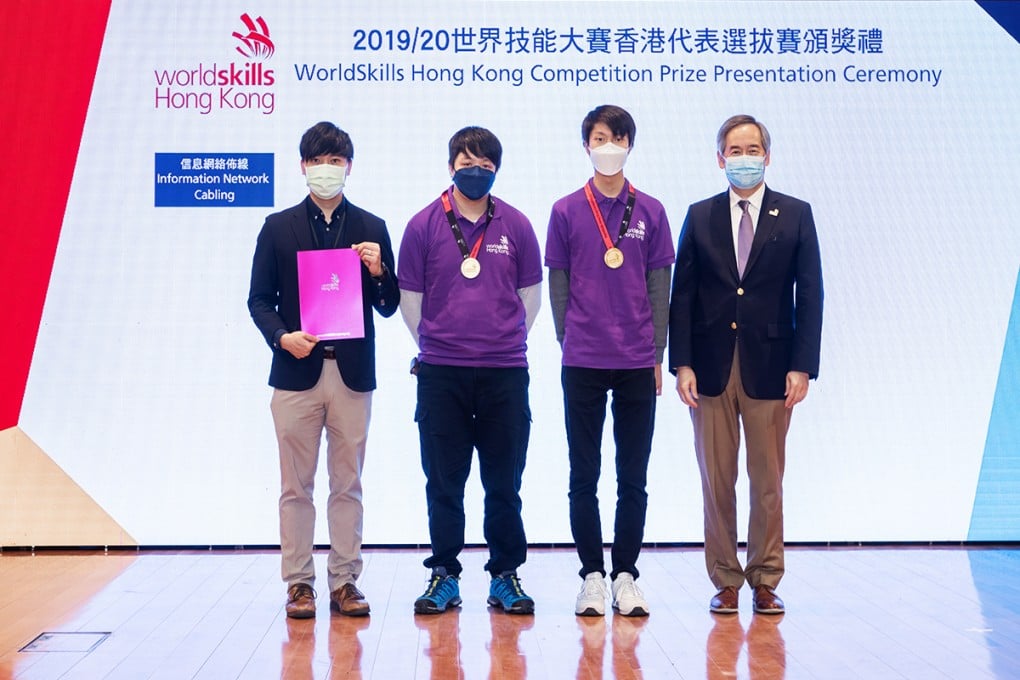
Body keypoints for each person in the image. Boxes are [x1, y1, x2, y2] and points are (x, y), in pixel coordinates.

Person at [669, 114, 823, 615]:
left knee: (767, 479)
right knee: (717, 480)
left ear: (768, 155)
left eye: (752, 148)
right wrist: (682, 363)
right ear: (720, 159)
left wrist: (803, 365)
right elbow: (683, 296)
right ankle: (726, 580)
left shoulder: (795, 214)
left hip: (773, 368)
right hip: (710, 369)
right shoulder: (700, 214)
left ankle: (764, 578)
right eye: (734, 150)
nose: (744, 158)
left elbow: (811, 294)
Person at [248, 121, 399, 619]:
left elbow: (388, 304)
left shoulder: (372, 228)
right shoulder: (278, 226)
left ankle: (345, 581)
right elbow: (259, 300)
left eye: (336, 161)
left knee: (347, 482)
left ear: (348, 168)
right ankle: (299, 583)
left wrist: (379, 271)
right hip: (296, 372)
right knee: (296, 485)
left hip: (351, 375)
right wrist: (281, 337)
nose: (327, 170)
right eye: (318, 161)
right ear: (303, 167)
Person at [398, 126, 543, 615]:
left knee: (504, 482)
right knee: (444, 481)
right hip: (441, 373)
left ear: (495, 169)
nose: (474, 170)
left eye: (483, 163)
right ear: (450, 165)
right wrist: (441, 344)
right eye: (465, 160)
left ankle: (505, 575)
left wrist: (500, 342)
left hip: (505, 372)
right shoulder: (422, 225)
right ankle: (444, 575)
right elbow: (410, 302)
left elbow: (530, 300)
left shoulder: (517, 225)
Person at [545, 105, 675, 617]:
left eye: (617, 138)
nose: (608, 145)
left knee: (633, 474)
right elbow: (557, 283)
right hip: (582, 359)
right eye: (600, 137)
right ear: (586, 145)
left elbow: (659, 287)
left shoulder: (652, 211)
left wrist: (657, 354)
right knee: (584, 473)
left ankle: (626, 575)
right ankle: (592, 577)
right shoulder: (566, 210)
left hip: (637, 360)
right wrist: (568, 340)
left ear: (629, 145)